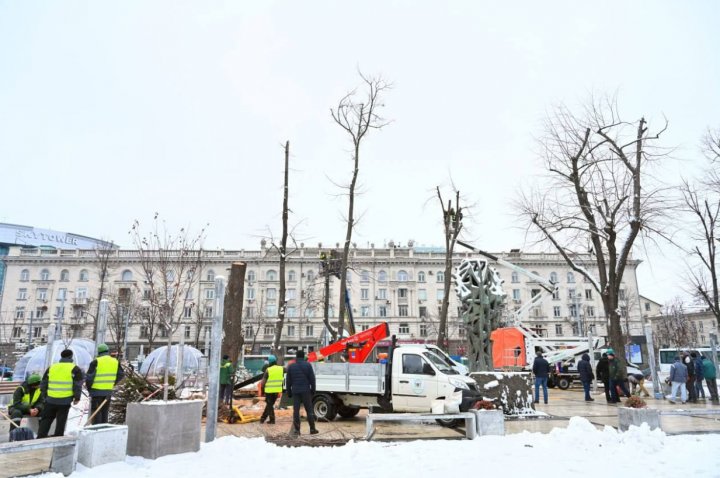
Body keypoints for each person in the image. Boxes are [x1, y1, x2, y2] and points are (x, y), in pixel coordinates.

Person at [38, 349, 84, 438]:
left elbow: (43, 383)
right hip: (65, 400)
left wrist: (45, 396)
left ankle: (40, 437)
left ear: (61, 356)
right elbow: (77, 385)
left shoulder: (52, 367)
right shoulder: (75, 368)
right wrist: (77, 397)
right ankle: (58, 438)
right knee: (61, 420)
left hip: (50, 399)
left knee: (46, 419)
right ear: (71, 357)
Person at [86, 343, 124, 425]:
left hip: (96, 392)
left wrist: (90, 389)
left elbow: (89, 378)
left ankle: (97, 431)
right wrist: (112, 383)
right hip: (108, 392)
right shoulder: (115, 361)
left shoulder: (96, 362)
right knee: (104, 413)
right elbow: (121, 374)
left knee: (96, 413)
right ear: (107, 351)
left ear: (99, 352)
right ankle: (104, 431)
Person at [286, 350, 318, 435]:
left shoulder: (291, 367)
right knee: (309, 410)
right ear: (303, 356)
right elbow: (312, 379)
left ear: (296, 356)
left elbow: (288, 381)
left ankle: (297, 430)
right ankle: (312, 429)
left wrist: (288, 392)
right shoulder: (308, 365)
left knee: (296, 411)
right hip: (306, 391)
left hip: (296, 392)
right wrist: (313, 391)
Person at [260, 355, 283, 424]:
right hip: (277, 390)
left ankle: (272, 420)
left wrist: (262, 390)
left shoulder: (268, 370)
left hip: (269, 391)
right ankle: (263, 418)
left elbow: (263, 382)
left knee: (269, 405)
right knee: (269, 405)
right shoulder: (281, 368)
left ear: (269, 362)